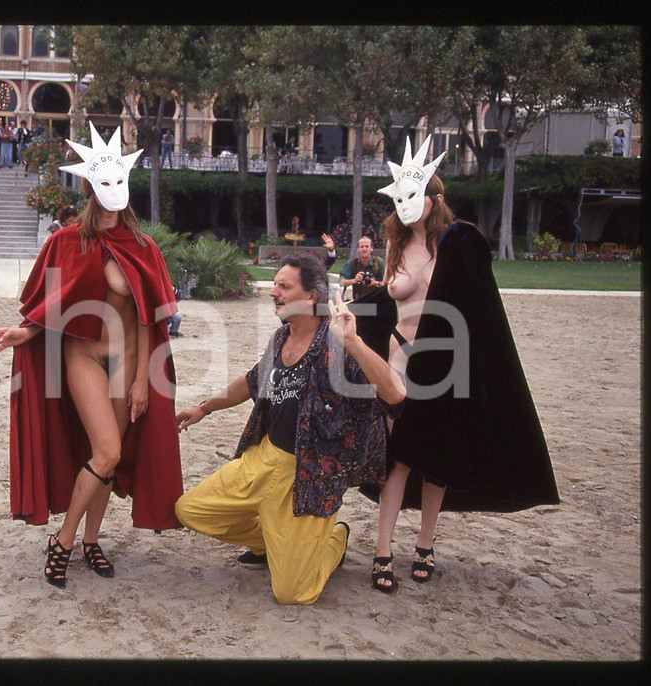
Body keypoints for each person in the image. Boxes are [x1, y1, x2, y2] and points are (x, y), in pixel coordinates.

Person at [0, 122, 182, 590]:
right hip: (84, 358)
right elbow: (51, 300)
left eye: (120, 181)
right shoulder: (67, 242)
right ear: (89, 186)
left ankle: (93, 541)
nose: (114, 190)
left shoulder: (145, 248)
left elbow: (152, 318)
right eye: (104, 182)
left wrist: (139, 382)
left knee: (105, 457)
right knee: (107, 450)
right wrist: (25, 330)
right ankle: (64, 540)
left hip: (129, 364)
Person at [361, 136, 559, 592]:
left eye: (417, 196)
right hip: (398, 362)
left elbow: (479, 309)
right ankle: (383, 549)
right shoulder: (393, 248)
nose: (408, 206)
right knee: (398, 461)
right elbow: (383, 304)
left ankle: (425, 545)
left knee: (436, 461)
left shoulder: (457, 245)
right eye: (400, 198)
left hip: (444, 366)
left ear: (436, 199)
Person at [174, 254, 405, 605]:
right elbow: (252, 380)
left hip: (309, 477)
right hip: (263, 460)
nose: (273, 292)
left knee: (293, 593)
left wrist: (354, 342)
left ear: (311, 296)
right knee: (189, 510)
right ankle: (271, 538)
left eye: (284, 286)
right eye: (275, 284)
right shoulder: (282, 336)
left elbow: (395, 394)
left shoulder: (337, 343)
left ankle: (334, 541)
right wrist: (204, 408)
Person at [322, 234, 385, 301]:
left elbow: (388, 283)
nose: (364, 249)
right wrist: (354, 280)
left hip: (377, 300)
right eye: (361, 247)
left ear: (371, 248)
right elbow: (341, 282)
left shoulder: (378, 263)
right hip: (359, 300)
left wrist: (376, 283)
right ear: (358, 249)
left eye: (367, 246)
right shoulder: (353, 263)